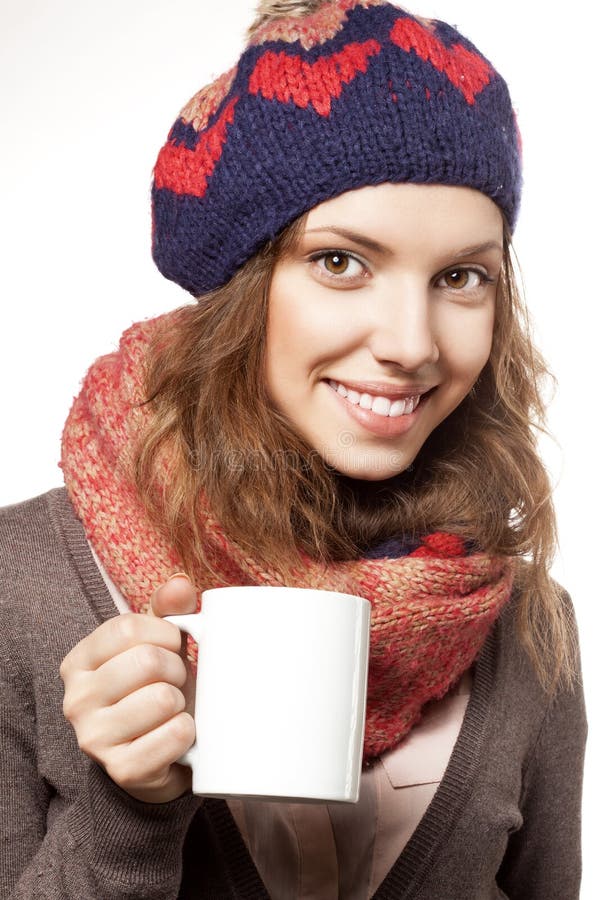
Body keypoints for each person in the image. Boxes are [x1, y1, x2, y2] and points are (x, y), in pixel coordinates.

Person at [0, 0, 587, 897]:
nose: (410, 342)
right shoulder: (21, 583)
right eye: (342, 262)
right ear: (242, 285)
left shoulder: (525, 620)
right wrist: (130, 809)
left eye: (460, 276)